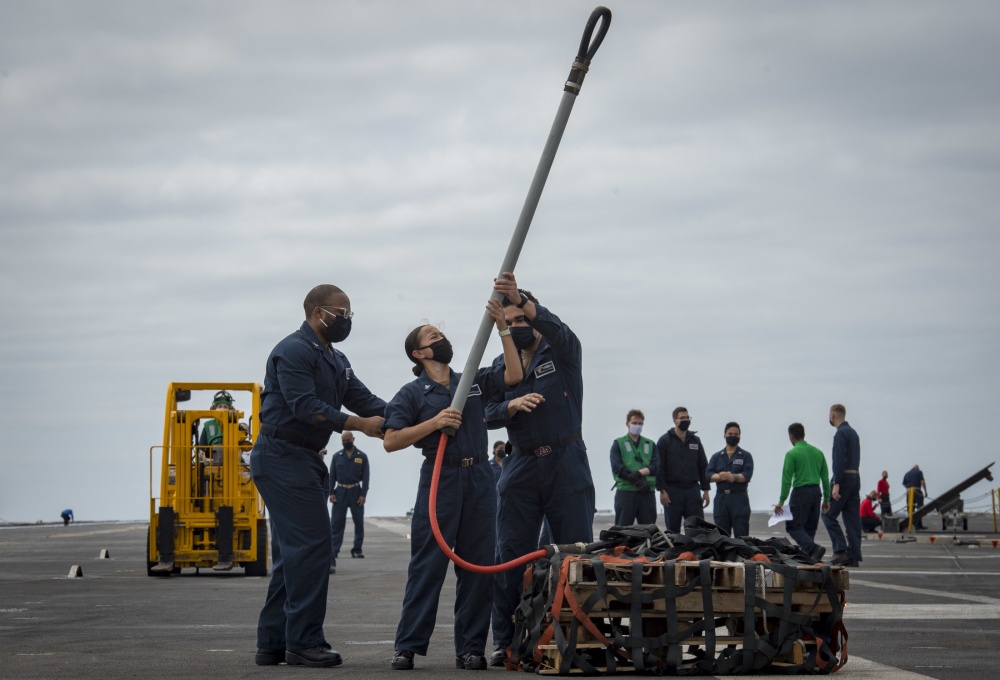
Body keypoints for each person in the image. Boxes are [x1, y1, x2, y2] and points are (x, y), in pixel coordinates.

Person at [250, 284, 386, 668]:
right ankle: (304, 642)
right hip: (281, 456)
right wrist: (359, 424)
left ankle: (273, 643)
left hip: (303, 458)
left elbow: (364, 398)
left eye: (350, 315)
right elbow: (305, 406)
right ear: (316, 312)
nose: (346, 320)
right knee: (312, 549)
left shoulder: (336, 358)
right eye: (340, 313)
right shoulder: (293, 350)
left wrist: (412, 416)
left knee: (294, 555)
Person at [384, 296, 522, 672]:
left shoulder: (471, 381)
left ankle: (471, 648)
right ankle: (408, 646)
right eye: (434, 335)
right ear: (419, 352)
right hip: (440, 477)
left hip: (479, 477)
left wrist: (502, 329)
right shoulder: (412, 394)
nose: (442, 338)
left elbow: (513, 375)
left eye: (442, 333)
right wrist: (435, 423)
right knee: (427, 565)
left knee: (477, 566)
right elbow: (391, 440)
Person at [487, 273, 596, 668]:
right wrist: (507, 408)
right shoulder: (500, 367)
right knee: (511, 557)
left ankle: (575, 634)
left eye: (523, 320)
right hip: (519, 466)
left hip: (566, 463)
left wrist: (522, 300)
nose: (519, 327)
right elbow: (479, 411)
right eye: (511, 322)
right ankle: (506, 641)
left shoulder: (562, 352)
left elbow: (558, 328)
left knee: (575, 554)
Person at [774, 422, 831, 563]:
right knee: (809, 529)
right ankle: (809, 557)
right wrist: (827, 499)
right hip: (816, 492)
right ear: (803, 434)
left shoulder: (792, 453)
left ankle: (813, 549)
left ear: (791, 437)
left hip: (801, 492)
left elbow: (786, 480)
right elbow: (825, 478)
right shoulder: (818, 453)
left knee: (793, 526)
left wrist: (781, 501)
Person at [655, 407, 710, 534]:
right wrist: (662, 490)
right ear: (674, 420)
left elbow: (703, 466)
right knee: (673, 531)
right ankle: (674, 553)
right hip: (672, 491)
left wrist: (705, 490)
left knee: (697, 529)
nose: (685, 420)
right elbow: (659, 468)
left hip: (693, 491)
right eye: (682, 418)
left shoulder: (695, 441)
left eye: (687, 418)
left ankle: (696, 554)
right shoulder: (664, 441)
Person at [822, 404, 862, 567]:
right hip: (855, 477)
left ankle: (840, 550)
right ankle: (853, 555)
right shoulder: (853, 433)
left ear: (832, 415)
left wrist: (836, 483)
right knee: (852, 518)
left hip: (844, 477)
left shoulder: (840, 434)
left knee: (827, 513)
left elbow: (839, 460)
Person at [328, 432, 370, 573]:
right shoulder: (336, 456)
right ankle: (334, 550)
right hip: (340, 492)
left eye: (348, 439)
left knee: (359, 523)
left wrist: (363, 495)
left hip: (356, 492)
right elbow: (331, 476)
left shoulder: (361, 456)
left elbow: (366, 477)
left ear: (353, 439)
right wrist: (331, 493)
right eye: (343, 440)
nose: (346, 442)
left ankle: (357, 550)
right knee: (336, 524)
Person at [610, 409, 658, 526]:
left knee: (649, 530)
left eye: (640, 423)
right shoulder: (618, 444)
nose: (637, 426)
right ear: (627, 424)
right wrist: (636, 480)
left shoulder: (650, 444)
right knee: (622, 530)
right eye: (634, 423)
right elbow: (617, 467)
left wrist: (639, 473)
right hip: (626, 492)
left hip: (647, 492)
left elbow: (656, 466)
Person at [706, 421, 754, 538]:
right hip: (721, 499)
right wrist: (721, 477)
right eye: (730, 433)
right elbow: (708, 475)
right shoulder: (717, 457)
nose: (733, 436)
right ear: (724, 435)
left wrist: (733, 477)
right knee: (722, 536)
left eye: (736, 434)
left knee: (742, 536)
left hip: (739, 499)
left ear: (739, 436)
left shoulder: (746, 456)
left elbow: (746, 476)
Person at [902, 464, 928, 530]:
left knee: (910, 508)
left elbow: (903, 483)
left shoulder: (907, 473)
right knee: (920, 508)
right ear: (917, 468)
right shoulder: (919, 472)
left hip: (909, 492)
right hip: (917, 491)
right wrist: (925, 491)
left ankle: (912, 524)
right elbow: (922, 482)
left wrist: (908, 488)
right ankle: (918, 525)